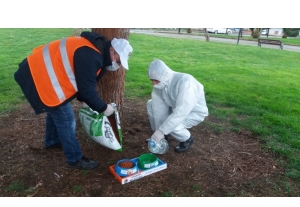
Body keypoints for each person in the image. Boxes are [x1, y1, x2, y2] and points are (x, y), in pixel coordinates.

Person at [14, 31, 133, 169]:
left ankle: (51, 141)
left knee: (55, 107)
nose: (116, 64)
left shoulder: (98, 52)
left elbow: (87, 82)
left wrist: (85, 100)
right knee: (66, 119)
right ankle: (74, 158)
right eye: (117, 60)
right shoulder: (91, 55)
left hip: (41, 72)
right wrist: (104, 108)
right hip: (38, 74)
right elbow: (87, 91)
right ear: (112, 49)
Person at [146, 59, 208, 153]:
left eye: (155, 80)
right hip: (175, 108)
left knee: (174, 126)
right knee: (151, 104)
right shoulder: (160, 84)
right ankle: (163, 137)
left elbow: (182, 111)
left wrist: (162, 130)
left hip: (193, 112)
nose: (153, 83)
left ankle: (186, 139)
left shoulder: (186, 82)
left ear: (164, 75)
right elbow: (158, 108)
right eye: (152, 80)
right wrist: (158, 133)